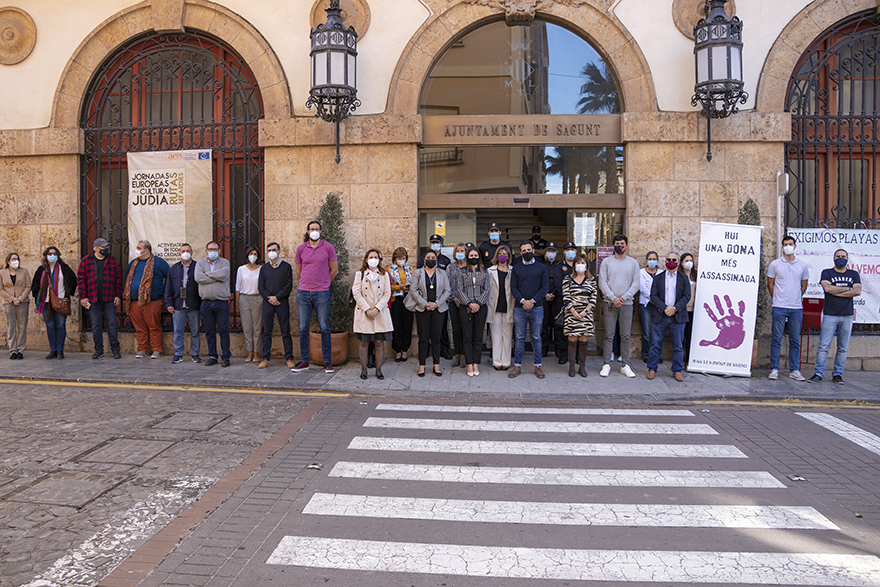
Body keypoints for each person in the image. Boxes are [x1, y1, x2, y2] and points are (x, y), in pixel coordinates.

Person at [808, 249, 862, 385]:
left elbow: (857, 291)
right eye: (838, 256)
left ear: (847, 259)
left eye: (843, 256)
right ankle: (818, 373)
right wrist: (848, 289)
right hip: (830, 315)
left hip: (847, 315)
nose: (841, 258)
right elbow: (827, 289)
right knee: (823, 346)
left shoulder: (853, 274)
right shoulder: (827, 273)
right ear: (834, 258)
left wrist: (836, 290)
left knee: (843, 348)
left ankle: (837, 374)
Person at [293, 220, 338, 373]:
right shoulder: (301, 249)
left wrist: (325, 284)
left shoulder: (328, 247)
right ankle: (304, 361)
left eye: (317, 229)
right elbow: (298, 271)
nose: (314, 231)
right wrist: (307, 283)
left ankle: (327, 362)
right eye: (312, 229)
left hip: (322, 293)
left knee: (324, 327)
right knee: (303, 328)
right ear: (307, 231)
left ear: (320, 231)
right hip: (303, 293)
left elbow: (334, 270)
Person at [767, 235, 809, 381]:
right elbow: (770, 285)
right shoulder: (775, 264)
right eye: (785, 244)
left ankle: (794, 370)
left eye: (790, 244)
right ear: (782, 247)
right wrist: (778, 298)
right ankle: (774, 369)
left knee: (795, 340)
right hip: (779, 306)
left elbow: (804, 286)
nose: (788, 246)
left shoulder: (802, 265)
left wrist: (795, 297)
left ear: (795, 246)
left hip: (796, 307)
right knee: (776, 339)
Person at [597, 234, 639, 378]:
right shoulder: (606, 262)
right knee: (609, 335)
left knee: (625, 335)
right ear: (613, 245)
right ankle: (606, 364)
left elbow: (636, 283)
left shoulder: (633, 263)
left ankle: (625, 365)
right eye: (617, 243)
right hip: (609, 303)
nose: (619, 245)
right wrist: (613, 298)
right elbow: (602, 282)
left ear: (626, 245)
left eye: (622, 243)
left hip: (627, 304)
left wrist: (623, 298)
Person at [646, 252, 691, 381]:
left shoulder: (684, 278)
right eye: (669, 259)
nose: (671, 262)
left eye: (674, 260)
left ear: (678, 262)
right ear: (665, 261)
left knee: (678, 345)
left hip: (678, 316)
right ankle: (652, 369)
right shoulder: (658, 278)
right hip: (660, 315)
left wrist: (674, 308)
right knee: (655, 344)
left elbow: (687, 296)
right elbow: (653, 295)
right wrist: (665, 308)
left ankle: (677, 370)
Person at [509, 241, 549, 379]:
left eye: (529, 249)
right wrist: (523, 301)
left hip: (536, 308)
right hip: (520, 308)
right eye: (524, 250)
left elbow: (544, 288)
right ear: (520, 253)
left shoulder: (541, 267)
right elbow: (513, 287)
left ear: (533, 250)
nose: (527, 252)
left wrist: (532, 301)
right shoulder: (516, 268)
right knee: (519, 337)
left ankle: (538, 366)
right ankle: (517, 366)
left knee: (536, 337)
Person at [407, 250, 450, 377]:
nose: (431, 259)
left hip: (438, 310)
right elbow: (413, 290)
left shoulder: (442, 273)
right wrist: (425, 304)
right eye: (428, 257)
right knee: (423, 338)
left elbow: (447, 291)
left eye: (433, 257)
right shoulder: (418, 272)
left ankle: (436, 365)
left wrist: (436, 304)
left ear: (436, 259)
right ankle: (422, 365)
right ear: (424, 259)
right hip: (422, 310)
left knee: (436, 338)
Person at [123, 240, 170, 358]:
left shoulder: (158, 262)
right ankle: (142, 349)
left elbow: (169, 277)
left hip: (152, 301)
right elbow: (127, 278)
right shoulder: (133, 263)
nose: (137, 250)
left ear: (146, 250)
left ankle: (157, 349)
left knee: (154, 326)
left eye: (139, 248)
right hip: (135, 302)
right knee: (139, 327)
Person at [77, 238, 122, 360]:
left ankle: (115, 349)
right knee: (96, 325)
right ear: (96, 248)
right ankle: (98, 350)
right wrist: (83, 297)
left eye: (106, 247)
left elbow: (118, 278)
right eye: (103, 247)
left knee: (112, 324)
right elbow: (81, 280)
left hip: (109, 298)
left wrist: (118, 295)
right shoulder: (86, 261)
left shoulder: (112, 260)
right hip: (93, 299)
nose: (105, 249)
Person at [352, 249, 394, 380]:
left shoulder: (384, 274)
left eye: (376, 257)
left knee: (379, 342)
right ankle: (364, 369)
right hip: (364, 312)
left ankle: (379, 369)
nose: (373, 259)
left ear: (379, 259)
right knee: (364, 342)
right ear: (366, 259)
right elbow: (356, 293)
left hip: (379, 313)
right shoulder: (360, 274)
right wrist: (367, 309)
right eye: (371, 257)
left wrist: (376, 309)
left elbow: (387, 293)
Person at [31, 246, 77, 359]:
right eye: (50, 254)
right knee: (50, 326)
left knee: (60, 325)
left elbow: (73, 280)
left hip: (60, 301)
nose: (52, 256)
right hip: (46, 302)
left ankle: (60, 350)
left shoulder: (64, 268)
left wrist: (67, 294)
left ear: (58, 256)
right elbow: (35, 284)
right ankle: (53, 349)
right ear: (46, 256)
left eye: (54, 254)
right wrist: (38, 296)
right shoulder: (41, 269)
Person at [258, 242, 295, 369]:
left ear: (279, 251)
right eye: (269, 250)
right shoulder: (264, 268)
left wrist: (277, 297)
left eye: (274, 250)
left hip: (282, 302)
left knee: (285, 330)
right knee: (266, 331)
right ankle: (265, 358)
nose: (271, 252)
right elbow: (260, 286)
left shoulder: (286, 267)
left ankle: (289, 358)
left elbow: (289, 285)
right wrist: (270, 298)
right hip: (267, 303)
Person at [195, 241, 231, 367]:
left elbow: (223, 275)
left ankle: (226, 357)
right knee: (209, 330)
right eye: (210, 249)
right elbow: (198, 278)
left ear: (219, 251)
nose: (213, 251)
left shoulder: (225, 262)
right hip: (206, 302)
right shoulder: (200, 263)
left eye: (215, 249)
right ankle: (212, 356)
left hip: (221, 302)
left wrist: (206, 275)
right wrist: (215, 277)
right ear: (206, 251)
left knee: (223, 330)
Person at [165, 243, 201, 364]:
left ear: (192, 253)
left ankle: (195, 354)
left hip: (194, 304)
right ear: (179, 253)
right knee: (178, 331)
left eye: (188, 251)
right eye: (183, 251)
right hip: (178, 304)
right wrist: (169, 303)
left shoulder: (197, 267)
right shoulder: (173, 268)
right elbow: (168, 287)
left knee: (195, 331)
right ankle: (178, 354)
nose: (185, 253)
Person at [457, 244, 490, 377]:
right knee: (467, 337)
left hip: (481, 308)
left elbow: (487, 289)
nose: (473, 257)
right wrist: (470, 304)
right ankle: (469, 364)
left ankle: (476, 363)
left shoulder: (484, 271)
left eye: (475, 255)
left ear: (479, 257)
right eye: (471, 255)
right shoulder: (462, 272)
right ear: (467, 257)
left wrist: (478, 304)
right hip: (466, 308)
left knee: (478, 337)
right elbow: (459, 290)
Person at [562, 255, 597, 378]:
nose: (580, 265)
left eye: (583, 262)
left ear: (587, 265)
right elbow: (566, 296)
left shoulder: (591, 280)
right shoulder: (567, 278)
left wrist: (585, 312)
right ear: (574, 265)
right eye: (578, 262)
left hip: (586, 316)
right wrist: (573, 311)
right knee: (572, 342)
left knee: (583, 342)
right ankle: (572, 367)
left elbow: (593, 298)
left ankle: (582, 367)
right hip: (571, 314)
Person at [419, 234, 453, 360]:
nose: (435, 244)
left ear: (441, 245)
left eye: (437, 242)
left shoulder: (446, 260)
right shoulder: (422, 260)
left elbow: (448, 282)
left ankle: (444, 349)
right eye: (433, 242)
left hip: (440, 301)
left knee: (442, 328)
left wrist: (440, 301)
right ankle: (426, 350)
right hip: (425, 301)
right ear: (429, 245)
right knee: (425, 329)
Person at [486, 245, 514, 370]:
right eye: (500, 254)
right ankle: (497, 361)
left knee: (507, 336)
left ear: (509, 256)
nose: (502, 256)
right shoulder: (490, 271)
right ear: (496, 256)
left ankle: (506, 361)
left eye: (505, 254)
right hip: (494, 307)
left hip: (509, 306)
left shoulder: (513, 271)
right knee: (496, 336)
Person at [236, 246, 263, 363]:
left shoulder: (261, 269)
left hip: (257, 298)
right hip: (244, 299)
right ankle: (249, 353)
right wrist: (237, 304)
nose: (253, 256)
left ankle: (256, 353)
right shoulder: (241, 269)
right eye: (251, 253)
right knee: (247, 328)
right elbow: (237, 287)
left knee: (257, 328)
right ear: (247, 255)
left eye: (255, 254)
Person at [1, 252, 30, 360]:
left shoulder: (24, 271)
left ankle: (20, 349)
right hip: (8, 303)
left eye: (17, 259)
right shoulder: (2, 272)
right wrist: (11, 299)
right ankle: (12, 350)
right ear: (8, 261)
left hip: (22, 302)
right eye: (13, 259)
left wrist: (20, 298)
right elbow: (1, 289)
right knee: (11, 327)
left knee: (22, 326)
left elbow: (28, 286)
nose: (15, 261)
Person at [387, 247, 414, 362]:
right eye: (399, 258)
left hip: (408, 298)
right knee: (396, 325)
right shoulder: (390, 269)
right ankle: (397, 350)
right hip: (396, 299)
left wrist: (409, 287)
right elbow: (387, 286)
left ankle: (405, 349)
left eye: (403, 258)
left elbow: (415, 283)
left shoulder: (410, 268)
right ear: (394, 258)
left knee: (408, 324)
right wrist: (399, 287)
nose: (401, 260)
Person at [554, 241, 577, 364]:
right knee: (562, 328)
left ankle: (576, 355)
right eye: (568, 250)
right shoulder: (559, 267)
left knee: (576, 328)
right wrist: (568, 298)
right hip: (562, 301)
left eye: (572, 249)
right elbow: (559, 284)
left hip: (577, 302)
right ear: (563, 252)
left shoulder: (579, 266)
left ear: (576, 251)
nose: (570, 252)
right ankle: (563, 354)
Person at [447, 242, 469, 369]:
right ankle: (457, 353)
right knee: (455, 329)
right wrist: (455, 298)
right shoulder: (451, 267)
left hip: (467, 303)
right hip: (453, 301)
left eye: (462, 251)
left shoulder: (470, 267)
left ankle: (465, 355)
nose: (460, 253)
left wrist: (464, 300)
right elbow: (447, 284)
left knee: (465, 329)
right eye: (458, 251)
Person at [542, 242, 564, 360]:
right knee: (544, 324)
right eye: (549, 251)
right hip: (544, 297)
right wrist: (546, 294)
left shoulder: (560, 266)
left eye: (553, 251)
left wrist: (553, 293)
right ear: (546, 252)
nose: (551, 253)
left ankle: (558, 349)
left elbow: (559, 281)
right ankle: (544, 349)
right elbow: (540, 281)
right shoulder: (542, 266)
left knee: (557, 324)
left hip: (556, 297)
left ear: (556, 252)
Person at [637, 251, 660, 363]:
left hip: (659, 307)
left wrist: (658, 301)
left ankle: (656, 355)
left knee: (657, 332)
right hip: (646, 305)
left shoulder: (661, 273)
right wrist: (652, 298)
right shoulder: (641, 273)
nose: (652, 261)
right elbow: (642, 288)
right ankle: (647, 355)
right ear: (646, 260)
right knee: (646, 332)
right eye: (650, 259)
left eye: (654, 259)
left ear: (658, 261)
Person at [679, 252, 698, 367]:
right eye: (686, 261)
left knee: (690, 336)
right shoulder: (679, 276)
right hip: (682, 310)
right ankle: (680, 359)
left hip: (693, 310)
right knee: (680, 336)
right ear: (681, 263)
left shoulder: (696, 276)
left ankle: (689, 359)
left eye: (691, 260)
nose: (689, 263)